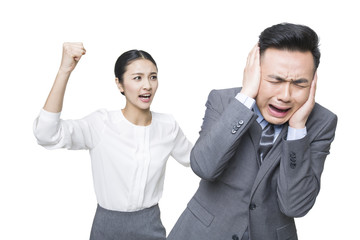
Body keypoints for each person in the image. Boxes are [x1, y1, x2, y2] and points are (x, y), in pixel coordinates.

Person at [167, 23, 337, 240]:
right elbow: (204, 167)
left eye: (299, 84)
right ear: (254, 72)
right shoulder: (224, 101)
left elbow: (295, 206)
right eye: (275, 80)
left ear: (313, 82)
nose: (285, 95)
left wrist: (297, 130)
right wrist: (246, 96)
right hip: (202, 232)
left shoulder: (322, 122)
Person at [33, 43, 193, 240]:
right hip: (106, 229)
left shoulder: (168, 126)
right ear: (119, 84)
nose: (147, 85)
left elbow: (200, 162)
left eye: (153, 77)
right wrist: (64, 70)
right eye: (137, 78)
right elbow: (47, 134)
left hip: (151, 228)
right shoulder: (101, 124)